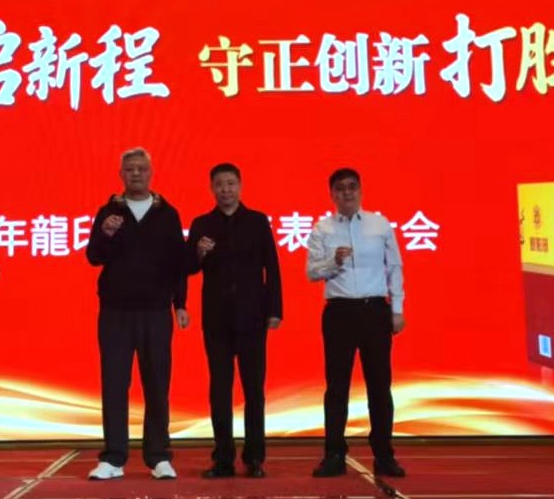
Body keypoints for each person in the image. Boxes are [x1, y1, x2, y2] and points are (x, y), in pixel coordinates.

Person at [86, 148, 189, 481]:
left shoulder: (167, 213)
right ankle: (113, 458)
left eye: (141, 169)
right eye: (129, 169)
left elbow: (178, 264)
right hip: (115, 312)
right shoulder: (108, 212)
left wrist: (180, 304)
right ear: (121, 175)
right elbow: (93, 256)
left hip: (156, 311)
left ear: (151, 173)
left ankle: (158, 456)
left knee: (157, 383)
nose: (136, 174)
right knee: (114, 384)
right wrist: (106, 233)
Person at [305, 168, 406, 478]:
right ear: (332, 195)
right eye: (340, 189)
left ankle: (384, 455)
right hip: (339, 313)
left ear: (360, 190)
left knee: (380, 387)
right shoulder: (322, 229)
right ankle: (334, 454)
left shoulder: (379, 224)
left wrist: (397, 309)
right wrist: (333, 261)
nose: (346, 193)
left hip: (375, 311)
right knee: (337, 388)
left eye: (352, 187)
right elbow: (312, 272)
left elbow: (394, 267)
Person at [187, 163, 282, 479]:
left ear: (240, 186)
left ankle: (255, 458)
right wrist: (198, 253)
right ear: (211, 189)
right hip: (216, 319)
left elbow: (272, 267)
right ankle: (223, 459)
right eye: (219, 184)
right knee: (220, 389)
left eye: (230, 183)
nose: (225, 189)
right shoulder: (202, 224)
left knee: (254, 389)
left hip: (252, 317)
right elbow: (187, 268)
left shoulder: (257, 221)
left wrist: (275, 309)